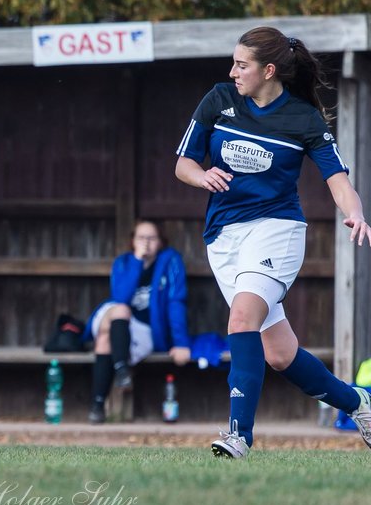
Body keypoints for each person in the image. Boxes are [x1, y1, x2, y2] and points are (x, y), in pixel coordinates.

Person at [175, 26, 371, 458]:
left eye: (241, 65)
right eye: (233, 62)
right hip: (223, 238)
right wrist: (201, 174)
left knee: (242, 318)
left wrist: (353, 212)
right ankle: (360, 403)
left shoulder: (303, 118)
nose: (233, 71)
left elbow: (338, 180)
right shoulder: (219, 99)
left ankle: (238, 435)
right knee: (280, 354)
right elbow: (184, 163)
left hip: (276, 229)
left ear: (268, 70)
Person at [83, 220, 191, 423]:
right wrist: (137, 262)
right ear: (132, 241)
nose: (146, 243)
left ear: (160, 242)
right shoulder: (124, 262)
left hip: (145, 330)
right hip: (118, 319)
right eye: (141, 238)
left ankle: (97, 406)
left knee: (104, 340)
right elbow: (120, 297)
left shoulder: (171, 262)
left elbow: (176, 302)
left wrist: (181, 343)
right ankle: (122, 369)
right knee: (120, 309)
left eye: (151, 238)